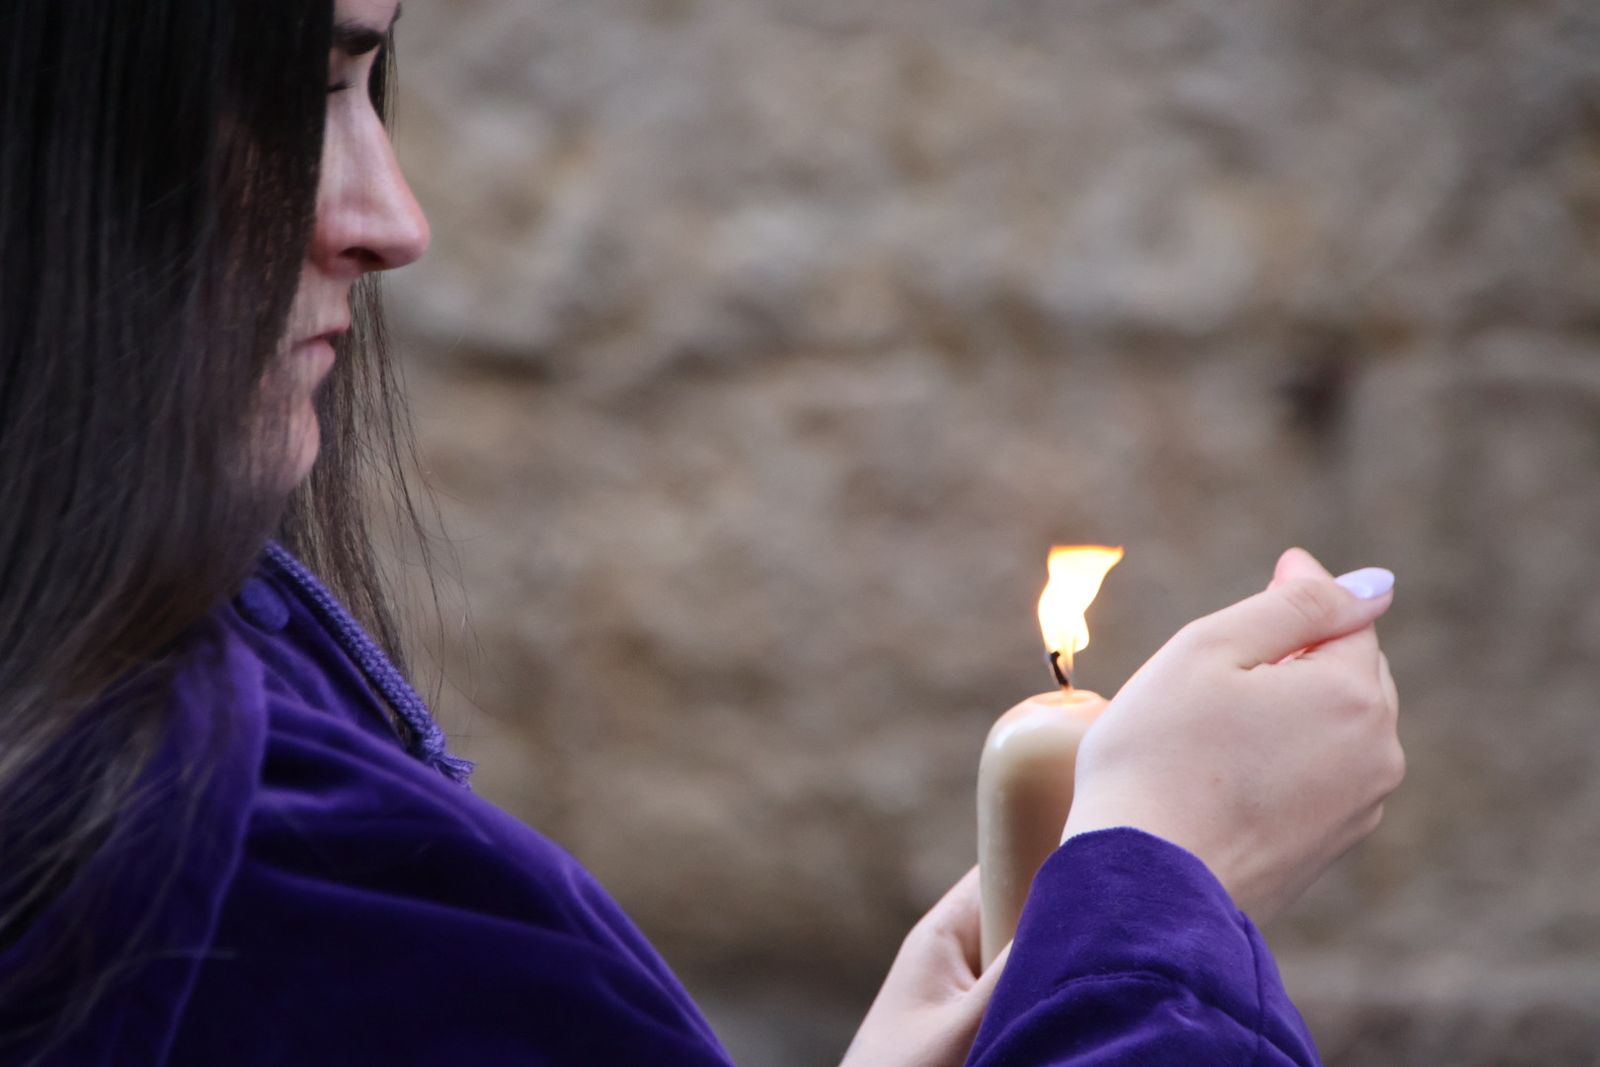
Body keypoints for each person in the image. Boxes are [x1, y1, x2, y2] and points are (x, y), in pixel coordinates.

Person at [0, 0, 1403, 1064]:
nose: (393, 219)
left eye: (372, 90)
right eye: (303, 91)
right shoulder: (247, 870)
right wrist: (1160, 911)